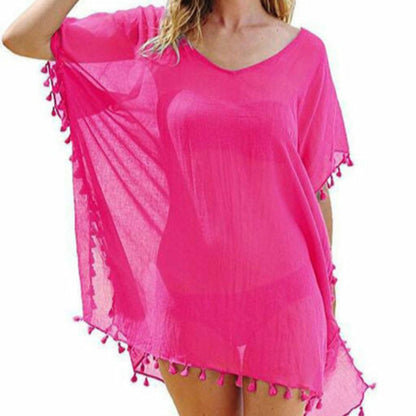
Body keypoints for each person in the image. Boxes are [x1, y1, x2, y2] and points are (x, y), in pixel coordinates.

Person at [2, 1, 376, 415]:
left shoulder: (307, 54)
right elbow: (23, 38)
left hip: (285, 296)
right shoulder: (157, 35)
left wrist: (327, 293)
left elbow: (314, 187)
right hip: (189, 297)